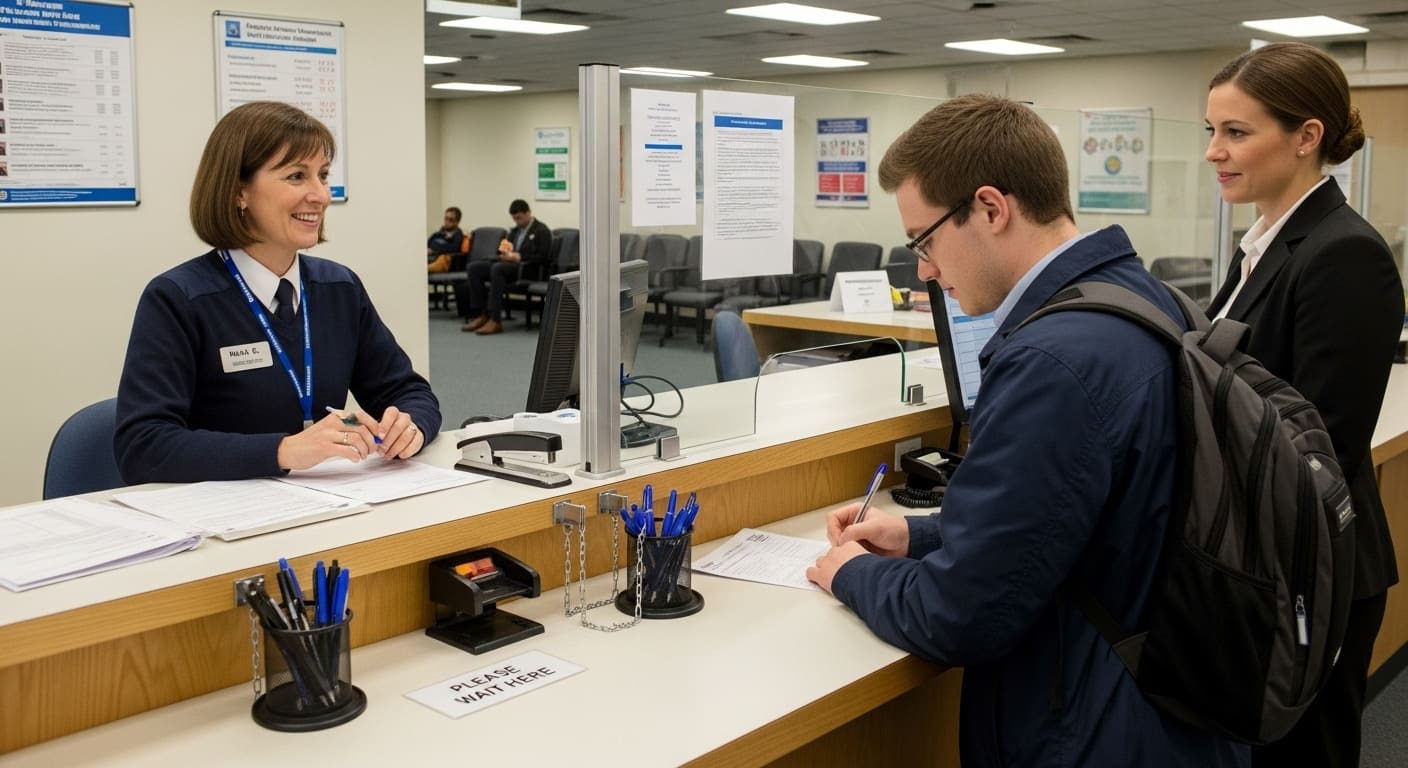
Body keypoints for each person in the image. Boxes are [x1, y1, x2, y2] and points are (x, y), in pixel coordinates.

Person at [805, 94, 1245, 767]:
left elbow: (961, 616)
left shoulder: (1053, 360)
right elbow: (1084, 517)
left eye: (924, 240)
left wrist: (853, 573)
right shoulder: (1145, 297)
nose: (924, 269)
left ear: (989, 208)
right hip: (1176, 700)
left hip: (1099, 725)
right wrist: (923, 534)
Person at [1204, 42, 1403, 768]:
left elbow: (1319, 449)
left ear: (1307, 135)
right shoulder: (1261, 245)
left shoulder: (1343, 253)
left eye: (1236, 132)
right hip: (1268, 561)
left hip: (1314, 572)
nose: (1214, 153)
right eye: (1210, 132)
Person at [115, 101, 441, 484]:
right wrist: (285, 450)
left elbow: (408, 391)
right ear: (240, 192)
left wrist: (410, 424)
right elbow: (143, 446)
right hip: (221, 518)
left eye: (322, 175)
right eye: (296, 176)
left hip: (326, 506)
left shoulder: (339, 289)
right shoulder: (178, 298)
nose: (320, 194)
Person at [460, 198, 550, 335]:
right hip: (508, 265)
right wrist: (503, 254)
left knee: (497, 269)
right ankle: (482, 313)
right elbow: (503, 247)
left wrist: (519, 257)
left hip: (527, 269)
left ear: (528, 213)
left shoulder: (541, 230)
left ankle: (495, 319)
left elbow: (544, 256)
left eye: (519, 218)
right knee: (474, 268)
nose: (517, 221)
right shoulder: (514, 231)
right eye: (514, 218)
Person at [427, 205, 467, 272]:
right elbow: (427, 244)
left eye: (451, 220)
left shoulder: (459, 236)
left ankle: (425, 269)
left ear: (457, 222)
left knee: (444, 258)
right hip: (431, 259)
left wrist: (434, 250)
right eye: (446, 218)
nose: (447, 222)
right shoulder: (436, 234)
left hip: (448, 263)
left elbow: (452, 248)